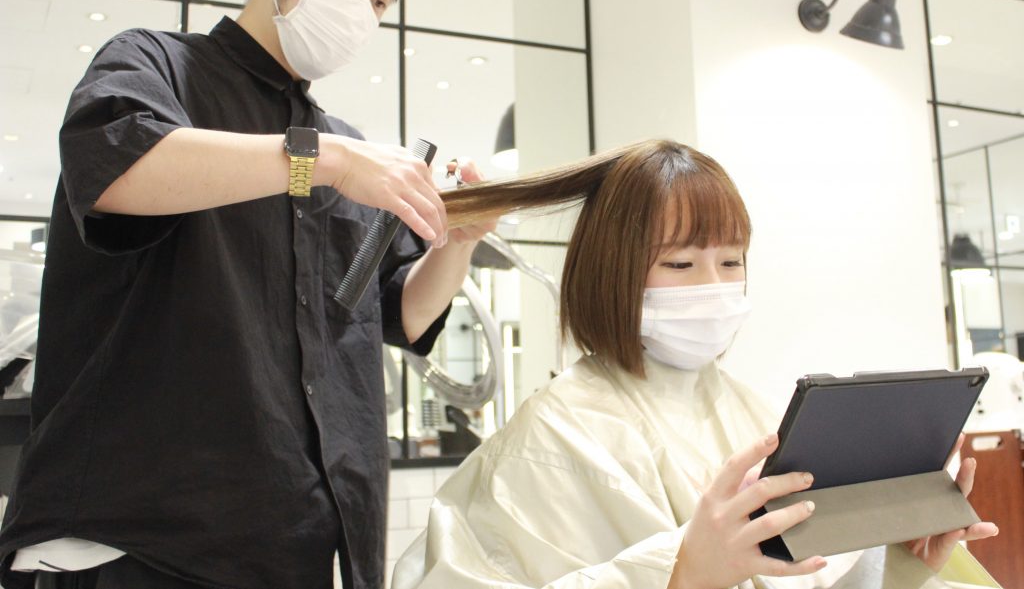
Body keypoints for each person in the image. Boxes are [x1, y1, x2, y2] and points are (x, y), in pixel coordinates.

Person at [0, 0, 492, 589]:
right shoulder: (156, 67)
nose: (364, 11)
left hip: (292, 551)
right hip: (137, 543)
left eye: (381, 1)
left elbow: (398, 314)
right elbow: (118, 168)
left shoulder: (342, 149)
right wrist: (322, 163)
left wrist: (460, 240)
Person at [392, 139, 999, 589]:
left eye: (731, 263)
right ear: (614, 275)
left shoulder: (747, 410)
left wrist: (900, 562)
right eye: (680, 265)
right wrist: (680, 574)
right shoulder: (556, 432)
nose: (712, 286)